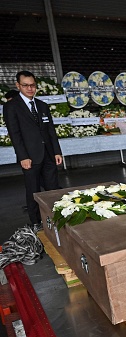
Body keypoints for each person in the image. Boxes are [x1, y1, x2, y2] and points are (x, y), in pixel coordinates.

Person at [4, 70, 62, 229]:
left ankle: (56, 218)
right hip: (29, 156)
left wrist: (57, 151)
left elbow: (51, 131)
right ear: (18, 86)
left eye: (32, 85)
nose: (30, 88)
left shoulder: (42, 105)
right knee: (33, 190)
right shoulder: (11, 107)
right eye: (25, 85)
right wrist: (22, 156)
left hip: (49, 155)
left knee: (53, 189)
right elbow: (14, 134)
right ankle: (36, 222)